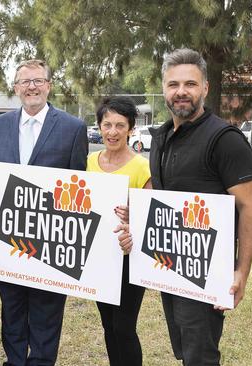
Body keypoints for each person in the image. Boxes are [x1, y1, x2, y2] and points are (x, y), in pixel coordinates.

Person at [118, 48, 252, 365]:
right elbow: (163, 191)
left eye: (190, 84)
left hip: (206, 270)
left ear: (205, 88)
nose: (181, 92)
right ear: (164, 89)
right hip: (168, 266)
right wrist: (137, 217)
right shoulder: (162, 136)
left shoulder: (225, 139)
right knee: (184, 350)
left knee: (200, 356)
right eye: (173, 84)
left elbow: (250, 207)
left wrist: (241, 271)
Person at [0, 59, 88, 366]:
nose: (31, 86)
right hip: (9, 239)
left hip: (51, 243)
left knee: (46, 313)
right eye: (25, 82)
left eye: (38, 80)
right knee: (13, 310)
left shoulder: (73, 128)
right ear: (16, 88)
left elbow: (81, 185)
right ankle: (15, 362)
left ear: (48, 86)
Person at [88, 96, 152, 366]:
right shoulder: (88, 161)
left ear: (131, 128)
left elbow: (150, 218)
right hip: (99, 257)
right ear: (99, 126)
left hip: (129, 259)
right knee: (108, 325)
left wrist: (134, 216)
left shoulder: (142, 167)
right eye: (106, 125)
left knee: (125, 328)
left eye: (119, 125)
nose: (112, 132)